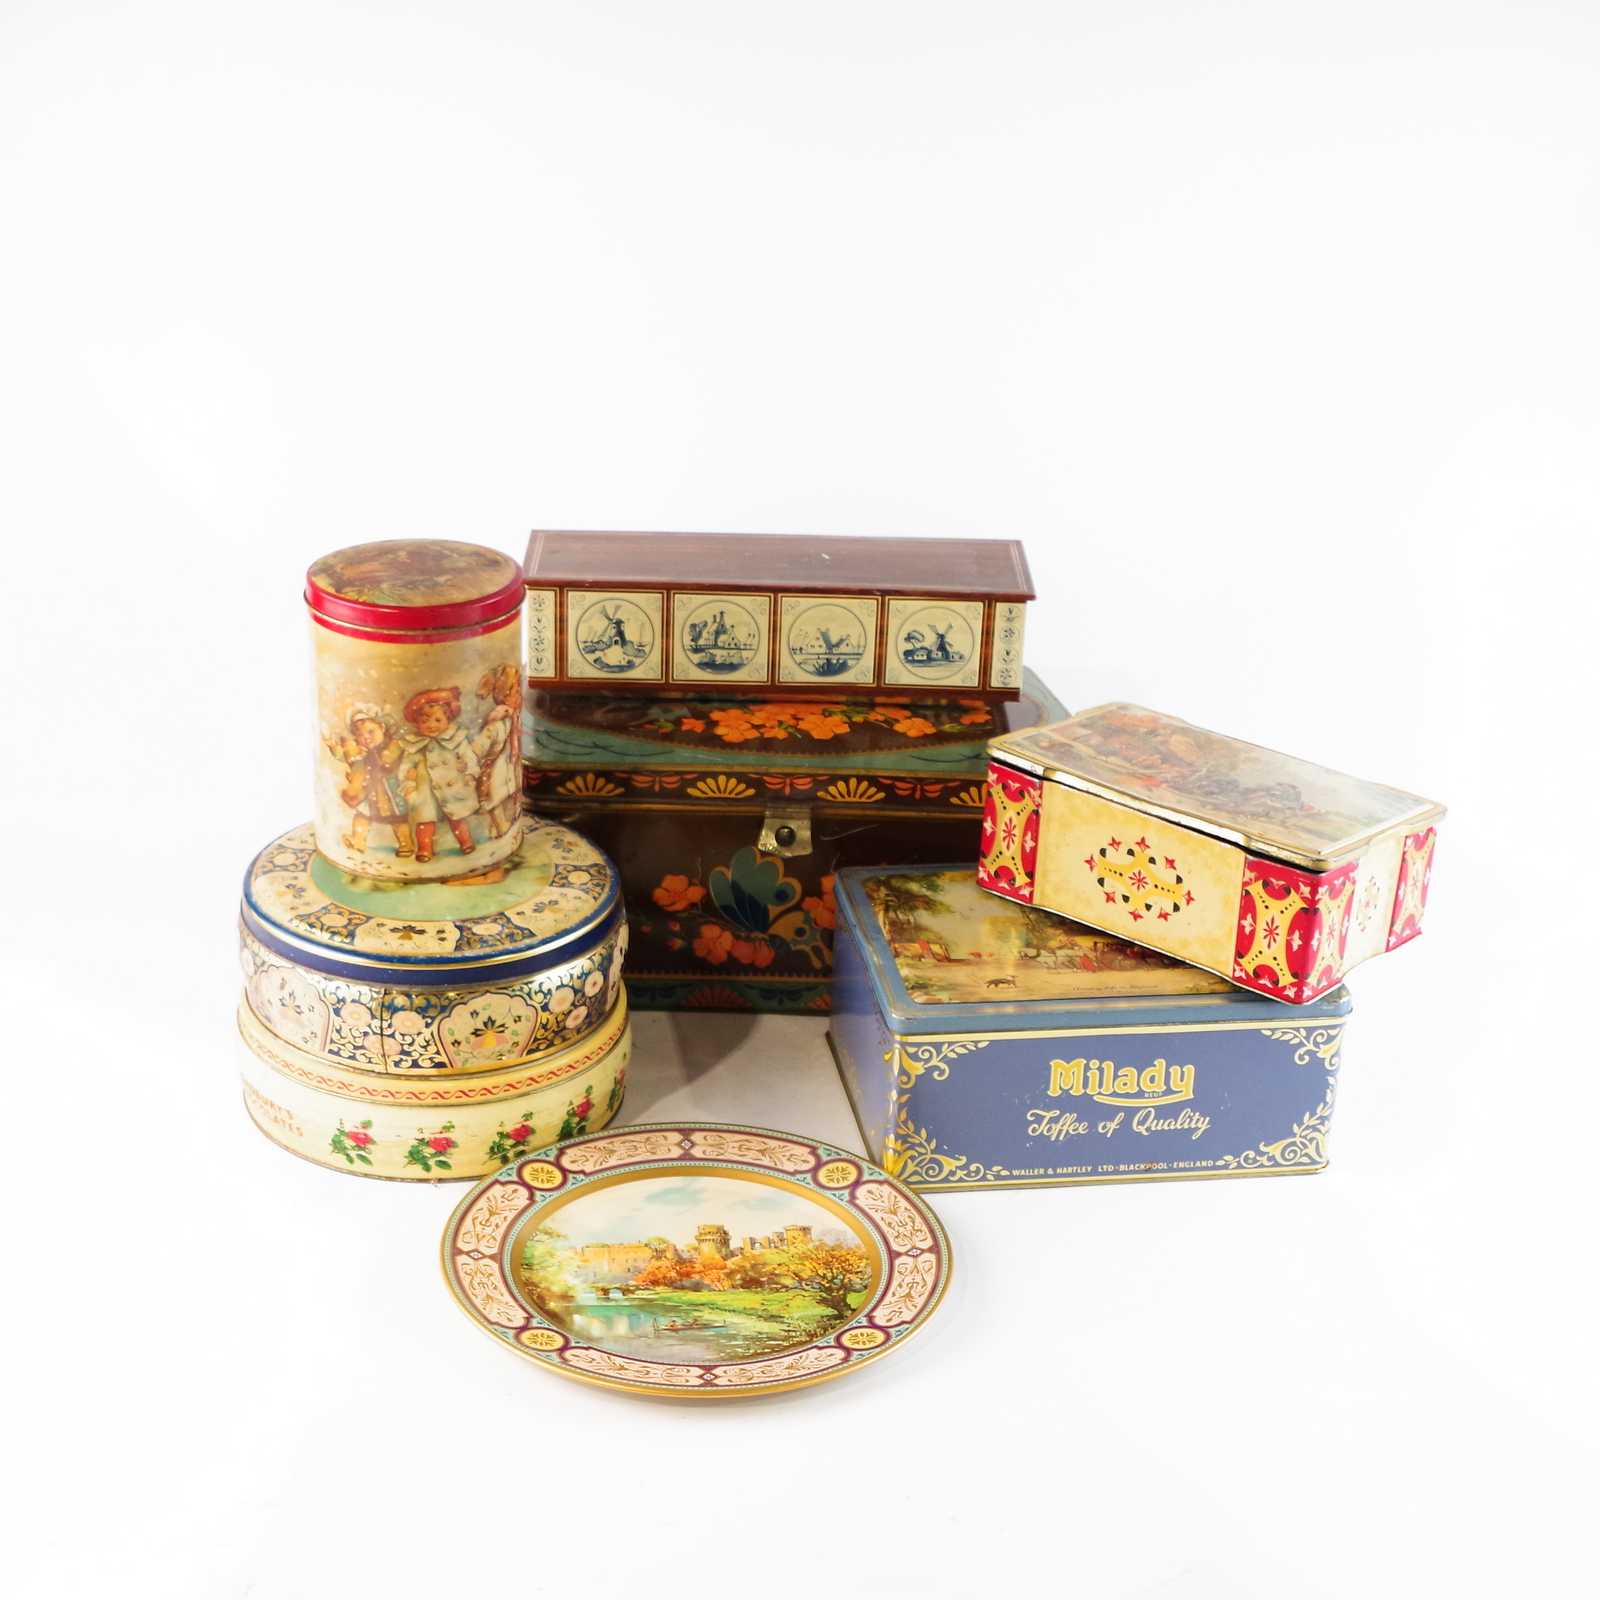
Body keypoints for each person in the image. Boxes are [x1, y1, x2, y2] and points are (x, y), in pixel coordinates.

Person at [398, 686, 481, 862]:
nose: (431, 725)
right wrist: (408, 780)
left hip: (451, 784)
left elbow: (469, 756)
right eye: (425, 720)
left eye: (438, 719)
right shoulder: (414, 744)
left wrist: (469, 771)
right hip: (425, 789)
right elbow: (406, 765)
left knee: (456, 816)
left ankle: (465, 842)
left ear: (448, 719)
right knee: (425, 820)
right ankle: (425, 849)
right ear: (417, 723)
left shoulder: (457, 738)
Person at [328, 706, 413, 857]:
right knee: (362, 815)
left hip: (390, 791)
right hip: (369, 791)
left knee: (398, 819)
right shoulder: (361, 751)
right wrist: (334, 747)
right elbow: (345, 756)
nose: (366, 737)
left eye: (371, 732)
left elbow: (395, 759)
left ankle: (406, 843)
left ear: (382, 727)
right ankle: (358, 840)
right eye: (360, 735)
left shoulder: (393, 745)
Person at [473, 664, 522, 839]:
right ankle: (500, 826)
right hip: (497, 766)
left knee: (508, 792)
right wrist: (474, 754)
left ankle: (500, 828)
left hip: (509, 763)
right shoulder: (500, 719)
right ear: (505, 695)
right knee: (495, 797)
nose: (520, 696)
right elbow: (482, 742)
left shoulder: (514, 716)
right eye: (517, 692)